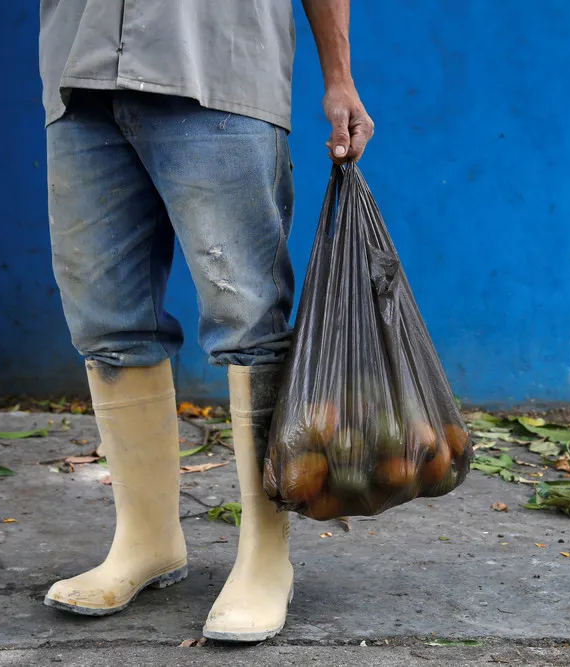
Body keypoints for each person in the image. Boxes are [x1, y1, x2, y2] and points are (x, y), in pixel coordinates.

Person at [38, 0, 374, 642]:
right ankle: (146, 541)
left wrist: (340, 76)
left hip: (220, 71)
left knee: (247, 319)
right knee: (107, 325)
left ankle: (265, 556)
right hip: (79, 76)